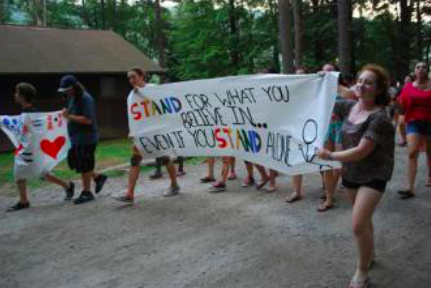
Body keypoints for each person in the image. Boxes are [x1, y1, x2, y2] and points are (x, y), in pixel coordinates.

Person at [318, 64, 395, 288]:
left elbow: (362, 150)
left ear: (379, 89)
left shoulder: (379, 118)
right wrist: (322, 80)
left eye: (368, 82)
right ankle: (370, 254)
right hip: (352, 172)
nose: (362, 85)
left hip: (374, 174)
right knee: (364, 221)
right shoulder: (349, 106)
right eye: (360, 80)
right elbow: (323, 101)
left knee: (357, 224)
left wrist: (331, 155)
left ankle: (362, 271)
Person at [113, 68, 181, 203]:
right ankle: (130, 194)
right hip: (142, 134)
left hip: (158, 132)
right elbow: (133, 116)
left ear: (142, 76)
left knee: (165, 158)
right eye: (129, 78)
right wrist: (132, 131)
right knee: (135, 159)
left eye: (134, 77)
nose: (131, 80)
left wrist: (144, 93)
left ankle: (174, 184)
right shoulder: (131, 96)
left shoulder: (154, 89)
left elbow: (164, 104)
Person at [7, 83, 75, 212]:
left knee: (30, 174)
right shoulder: (25, 113)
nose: (15, 95)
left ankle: (25, 201)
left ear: (22, 96)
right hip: (26, 150)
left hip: (32, 151)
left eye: (17, 92)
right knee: (34, 174)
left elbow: (39, 132)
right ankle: (66, 186)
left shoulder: (34, 114)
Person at [59, 75, 108, 204]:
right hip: (76, 137)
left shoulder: (86, 98)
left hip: (86, 137)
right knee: (77, 163)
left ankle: (87, 193)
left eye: (67, 89)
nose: (65, 92)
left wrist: (68, 116)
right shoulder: (73, 98)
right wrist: (67, 113)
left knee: (85, 165)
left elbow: (88, 120)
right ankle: (98, 177)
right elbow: (72, 114)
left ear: (74, 87)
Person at [319, 64, 357, 212]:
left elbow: (355, 115)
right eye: (324, 70)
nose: (326, 73)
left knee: (340, 166)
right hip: (325, 128)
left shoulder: (347, 92)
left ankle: (331, 190)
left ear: (336, 73)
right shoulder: (319, 91)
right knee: (326, 164)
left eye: (330, 70)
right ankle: (329, 197)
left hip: (342, 129)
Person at [397, 62, 431, 199]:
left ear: (427, 70)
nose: (421, 69)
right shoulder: (408, 87)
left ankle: (430, 176)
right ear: (414, 71)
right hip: (414, 122)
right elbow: (402, 106)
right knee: (412, 153)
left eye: (424, 67)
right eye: (418, 67)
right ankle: (410, 187)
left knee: (430, 151)